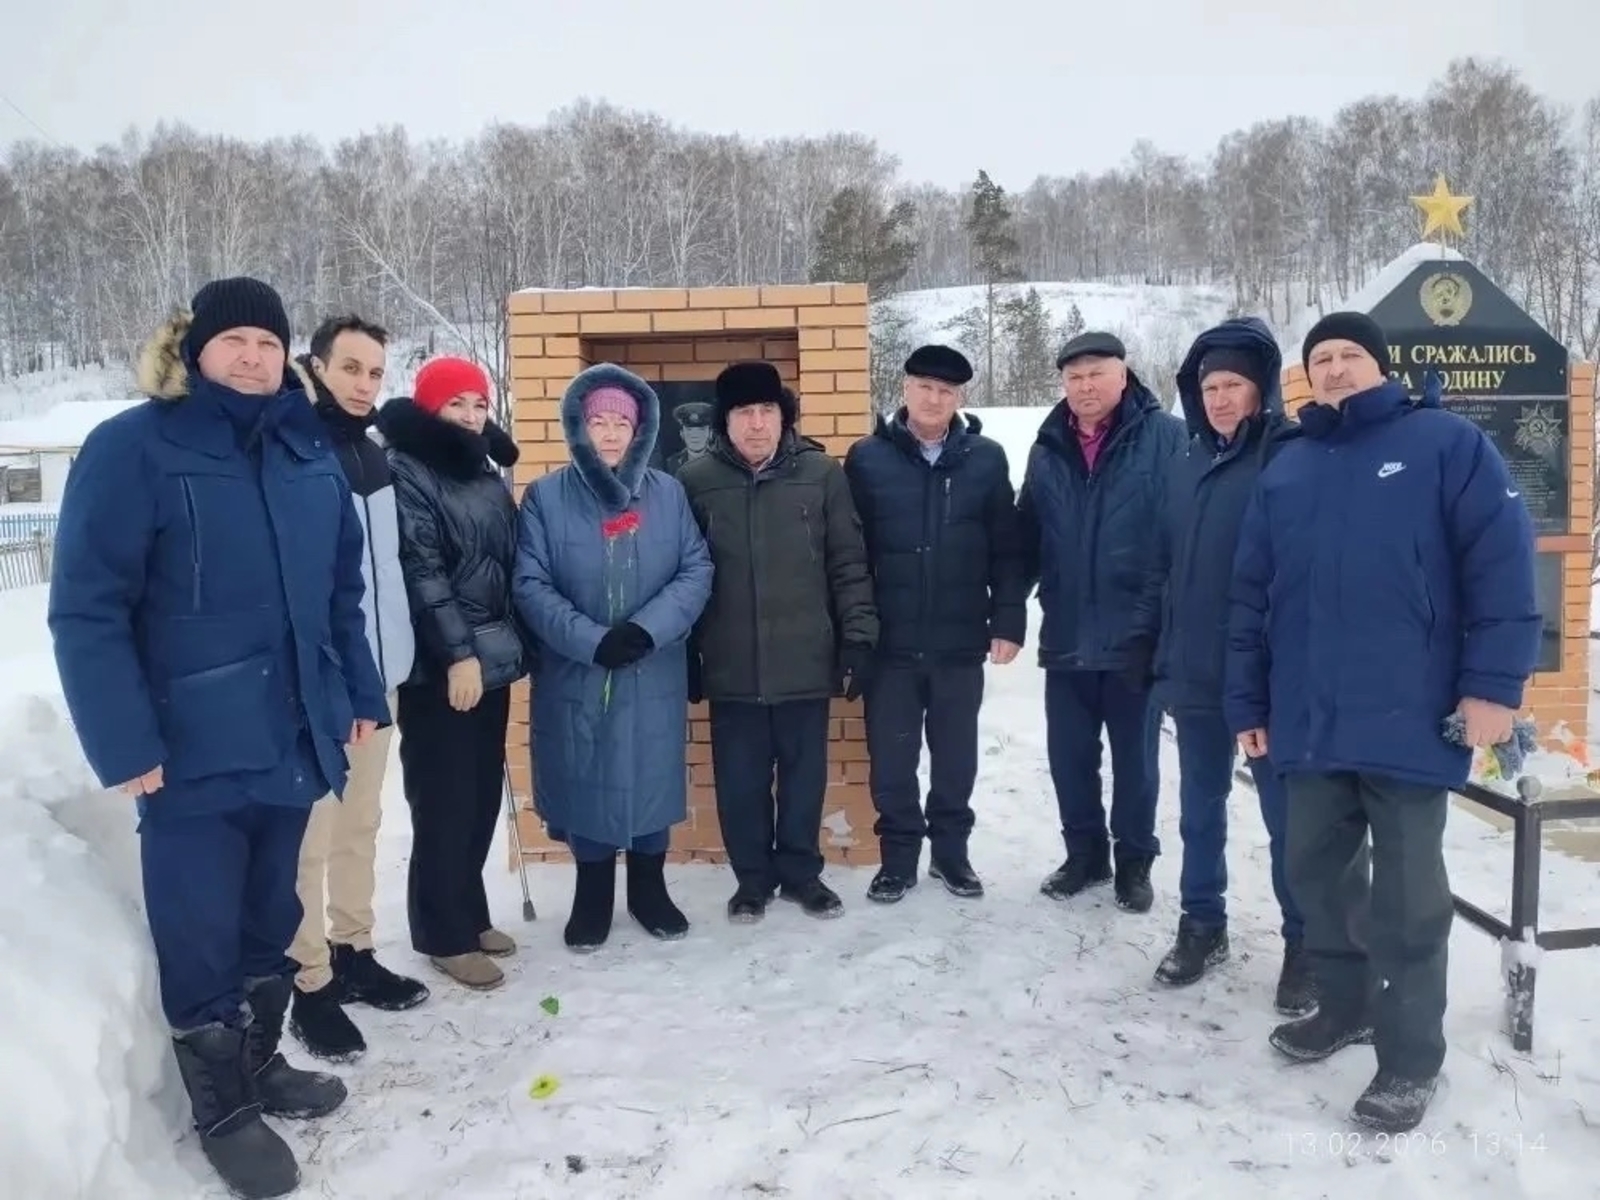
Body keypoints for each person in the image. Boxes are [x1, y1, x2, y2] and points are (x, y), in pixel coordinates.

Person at [47, 277, 389, 1200]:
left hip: (292, 734)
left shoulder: (307, 450)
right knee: (199, 929)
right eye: (234, 339)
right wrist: (124, 742)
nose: (252, 357)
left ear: (288, 360)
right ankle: (223, 1109)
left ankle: (261, 1063)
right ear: (194, 350)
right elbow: (87, 608)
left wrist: (358, 693)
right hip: (191, 745)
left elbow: (340, 596)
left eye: (268, 344)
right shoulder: (134, 448)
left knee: (269, 917)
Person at [1226, 311, 1540, 1133]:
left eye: (1349, 355)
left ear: (1383, 366)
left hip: (1411, 714)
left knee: (1406, 898)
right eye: (1320, 358)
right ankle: (1346, 1007)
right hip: (1308, 717)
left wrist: (1494, 687)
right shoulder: (1286, 468)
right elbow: (1250, 594)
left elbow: (1501, 566)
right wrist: (1248, 702)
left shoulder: (1446, 444)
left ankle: (1408, 1060)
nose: (1333, 369)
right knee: (1317, 875)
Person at [513, 363, 713, 952]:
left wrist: (649, 630)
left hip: (653, 668)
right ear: (578, 425)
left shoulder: (668, 493)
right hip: (580, 669)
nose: (608, 433)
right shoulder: (546, 497)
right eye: (596, 420)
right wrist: (591, 639)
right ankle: (593, 894)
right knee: (587, 775)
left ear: (639, 430)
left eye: (619, 422)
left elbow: (696, 568)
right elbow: (530, 583)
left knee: (650, 773)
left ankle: (650, 891)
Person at [1150, 317, 1317, 1013]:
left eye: (1233, 386)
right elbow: (1167, 565)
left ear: (1261, 391)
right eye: (1209, 386)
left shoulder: (1289, 455)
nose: (1219, 399)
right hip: (1194, 670)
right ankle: (1202, 922)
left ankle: (1305, 946)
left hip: (1268, 679)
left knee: (1287, 820)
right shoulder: (1188, 461)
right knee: (1198, 808)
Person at [678, 361, 878, 922]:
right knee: (739, 786)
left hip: (804, 661)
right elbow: (682, 575)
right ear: (726, 421)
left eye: (768, 411)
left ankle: (800, 875)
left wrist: (857, 639)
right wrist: (688, 654)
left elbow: (848, 564)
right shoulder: (695, 482)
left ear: (784, 417)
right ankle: (752, 882)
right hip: (730, 666)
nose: (757, 423)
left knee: (802, 780)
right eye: (745, 412)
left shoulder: (820, 474)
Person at [286, 315, 427, 1063]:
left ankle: (353, 949)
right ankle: (308, 982)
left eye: (376, 372)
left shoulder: (372, 455)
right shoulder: (297, 453)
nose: (365, 384)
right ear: (316, 366)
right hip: (322, 687)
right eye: (351, 368)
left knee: (362, 827)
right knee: (312, 838)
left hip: (383, 679)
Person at [842, 344, 1026, 903]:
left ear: (960, 398)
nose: (934, 398)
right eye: (925, 386)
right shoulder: (867, 458)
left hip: (958, 642)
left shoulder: (986, 459)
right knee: (892, 762)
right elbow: (848, 553)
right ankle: (898, 860)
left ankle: (951, 856)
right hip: (891, 646)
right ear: (905, 389)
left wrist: (1009, 618)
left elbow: (1007, 548)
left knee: (955, 759)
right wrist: (856, 631)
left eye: (946, 391)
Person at [375, 355, 531, 992]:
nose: (470, 416)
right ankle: (440, 933)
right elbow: (423, 570)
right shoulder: (407, 468)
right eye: (455, 405)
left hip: (492, 659)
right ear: (428, 409)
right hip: (445, 668)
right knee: (442, 799)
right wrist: (458, 656)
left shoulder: (485, 470)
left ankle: (468, 914)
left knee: (478, 798)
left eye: (478, 404)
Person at [1017, 330, 1187, 912]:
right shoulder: (1048, 448)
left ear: (1124, 375)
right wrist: (1007, 609)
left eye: (1097, 373)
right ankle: (1085, 854)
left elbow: (1181, 539)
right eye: (1074, 376)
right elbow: (1027, 536)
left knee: (1136, 763)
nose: (1086, 386)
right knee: (1070, 757)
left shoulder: (1166, 439)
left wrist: (1159, 624)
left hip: (1134, 637)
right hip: (1066, 634)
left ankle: (1135, 862)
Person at [666, 400, 714, 473]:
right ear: (682, 434)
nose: (695, 435)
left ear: (710, 433)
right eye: (689, 430)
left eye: (701, 430)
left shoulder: (720, 462)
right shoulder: (673, 463)